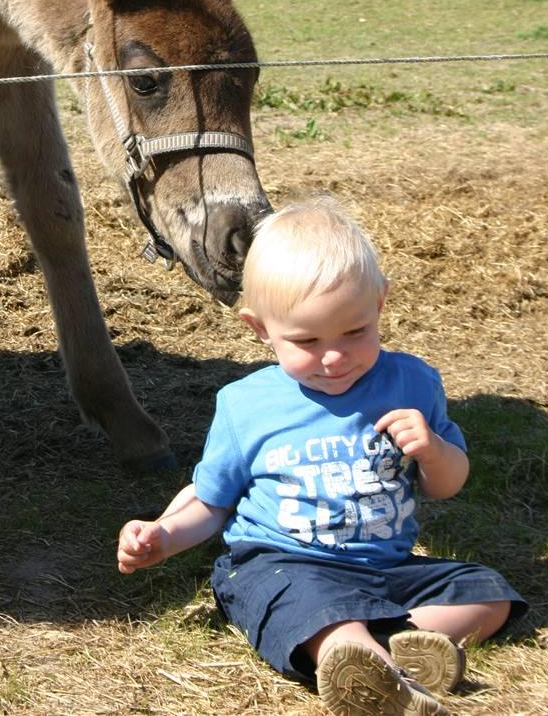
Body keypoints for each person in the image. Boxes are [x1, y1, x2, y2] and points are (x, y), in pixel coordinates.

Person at [117, 196, 526, 716]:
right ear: (260, 328)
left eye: (355, 332)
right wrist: (164, 535)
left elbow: (448, 484)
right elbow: (212, 501)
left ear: (379, 304)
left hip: (384, 567)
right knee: (319, 609)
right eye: (306, 340)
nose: (333, 357)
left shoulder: (413, 383)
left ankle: (395, 652)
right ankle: (352, 658)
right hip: (281, 567)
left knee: (489, 593)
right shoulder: (247, 406)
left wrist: (434, 449)